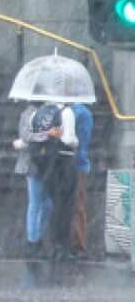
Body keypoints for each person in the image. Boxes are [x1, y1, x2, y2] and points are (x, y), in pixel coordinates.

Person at [29, 101, 79, 261]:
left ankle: (52, 246)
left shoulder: (37, 113)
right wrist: (76, 141)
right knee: (65, 206)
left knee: (54, 203)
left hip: (47, 164)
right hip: (64, 163)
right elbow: (69, 139)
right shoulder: (67, 112)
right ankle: (61, 246)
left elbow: (31, 137)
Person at [12, 102, 52, 259]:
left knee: (47, 203)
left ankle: (37, 237)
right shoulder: (27, 114)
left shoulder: (48, 113)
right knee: (36, 202)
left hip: (45, 164)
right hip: (33, 163)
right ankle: (33, 241)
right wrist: (47, 135)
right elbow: (26, 136)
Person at [70, 102, 94, 259]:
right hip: (74, 164)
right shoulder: (76, 111)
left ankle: (78, 245)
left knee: (77, 204)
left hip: (76, 165)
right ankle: (75, 243)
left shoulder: (80, 113)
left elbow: (82, 142)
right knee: (76, 204)